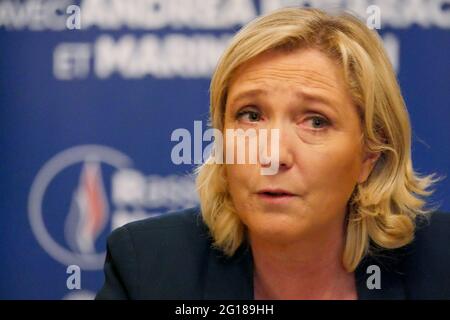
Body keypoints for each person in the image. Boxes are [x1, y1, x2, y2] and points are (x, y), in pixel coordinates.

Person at [96, 7, 449, 300]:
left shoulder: (440, 266)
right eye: (250, 115)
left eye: (315, 121)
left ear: (369, 156)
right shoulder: (149, 267)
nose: (272, 155)